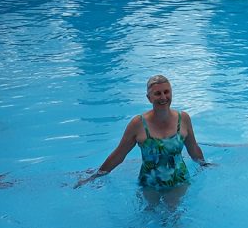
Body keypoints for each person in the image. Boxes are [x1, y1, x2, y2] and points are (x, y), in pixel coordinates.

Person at [76, 74, 209, 190]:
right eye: (157, 93)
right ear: (149, 98)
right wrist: (97, 175)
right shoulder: (138, 124)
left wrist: (204, 165)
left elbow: (193, 148)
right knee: (147, 216)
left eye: (166, 92)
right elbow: (119, 154)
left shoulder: (183, 118)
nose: (163, 97)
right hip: (149, 184)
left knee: (174, 217)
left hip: (179, 182)